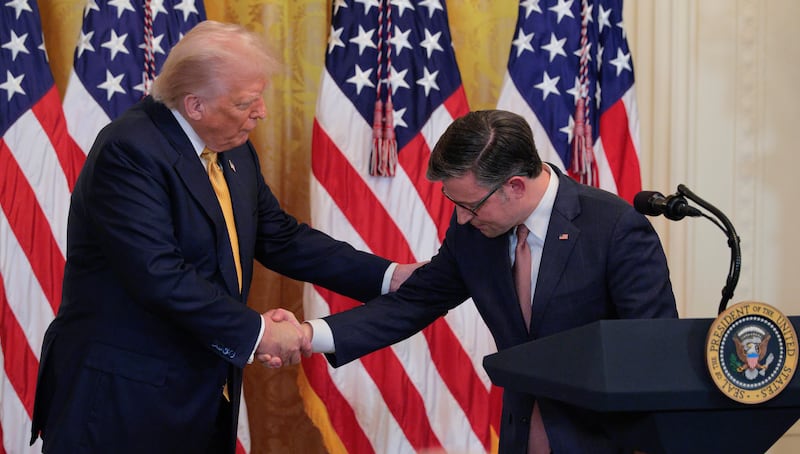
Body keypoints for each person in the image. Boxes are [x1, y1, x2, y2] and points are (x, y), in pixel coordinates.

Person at [30, 21, 417, 454]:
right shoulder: (129, 150)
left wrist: (388, 276)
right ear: (194, 104)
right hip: (123, 403)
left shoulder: (229, 144)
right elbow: (159, 276)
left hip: (201, 392)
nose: (262, 112)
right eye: (246, 102)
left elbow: (280, 237)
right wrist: (258, 332)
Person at [289, 110, 679, 453]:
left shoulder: (613, 228)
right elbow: (414, 302)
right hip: (519, 436)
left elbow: (651, 351)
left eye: (470, 205)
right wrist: (309, 335)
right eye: (453, 203)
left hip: (605, 441)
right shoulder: (474, 231)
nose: (460, 219)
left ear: (515, 186)